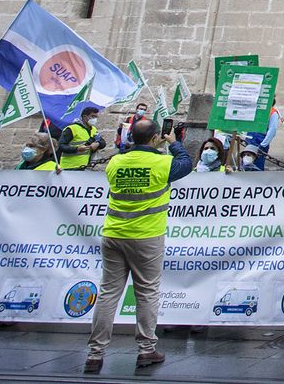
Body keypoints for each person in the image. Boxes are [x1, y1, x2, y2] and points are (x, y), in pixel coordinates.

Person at [84, 117, 192, 373]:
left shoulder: (116, 162)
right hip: (146, 236)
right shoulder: (162, 163)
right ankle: (146, 349)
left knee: (109, 293)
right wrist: (174, 143)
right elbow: (186, 164)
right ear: (156, 138)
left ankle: (95, 353)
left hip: (113, 233)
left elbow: (122, 161)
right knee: (147, 292)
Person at [56, 105, 105, 171]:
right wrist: (76, 149)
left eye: (96, 117)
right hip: (69, 167)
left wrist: (98, 144)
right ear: (85, 117)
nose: (95, 119)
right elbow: (61, 146)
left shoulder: (93, 129)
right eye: (93, 116)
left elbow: (103, 142)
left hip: (85, 166)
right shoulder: (72, 128)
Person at [244, 97, 281, 170]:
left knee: (257, 167)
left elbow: (272, 130)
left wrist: (263, 144)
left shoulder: (273, 112)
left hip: (259, 142)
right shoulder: (256, 110)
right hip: (250, 140)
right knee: (246, 164)